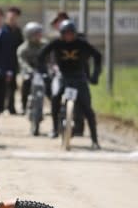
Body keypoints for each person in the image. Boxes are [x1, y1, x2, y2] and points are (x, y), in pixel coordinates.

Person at [38, 20, 102, 149]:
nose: (68, 36)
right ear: (61, 34)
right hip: (62, 76)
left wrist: (95, 76)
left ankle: (94, 139)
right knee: (55, 98)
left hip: (79, 77)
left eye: (70, 33)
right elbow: (41, 56)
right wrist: (45, 72)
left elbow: (98, 56)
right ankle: (55, 128)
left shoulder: (81, 44)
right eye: (65, 34)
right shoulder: (56, 43)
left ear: (74, 34)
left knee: (87, 108)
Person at [17, 22, 48, 115]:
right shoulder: (23, 48)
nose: (39, 35)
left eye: (39, 33)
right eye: (36, 33)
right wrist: (29, 70)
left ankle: (55, 105)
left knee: (50, 82)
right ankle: (24, 104)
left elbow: (50, 58)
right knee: (26, 83)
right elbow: (22, 62)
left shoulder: (45, 45)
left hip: (42, 70)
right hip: (29, 71)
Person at [4, 7, 23, 114]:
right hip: (3, 61)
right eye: (11, 17)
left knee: (12, 86)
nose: (13, 19)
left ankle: (11, 107)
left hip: (13, 62)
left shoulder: (18, 31)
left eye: (15, 17)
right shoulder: (3, 29)